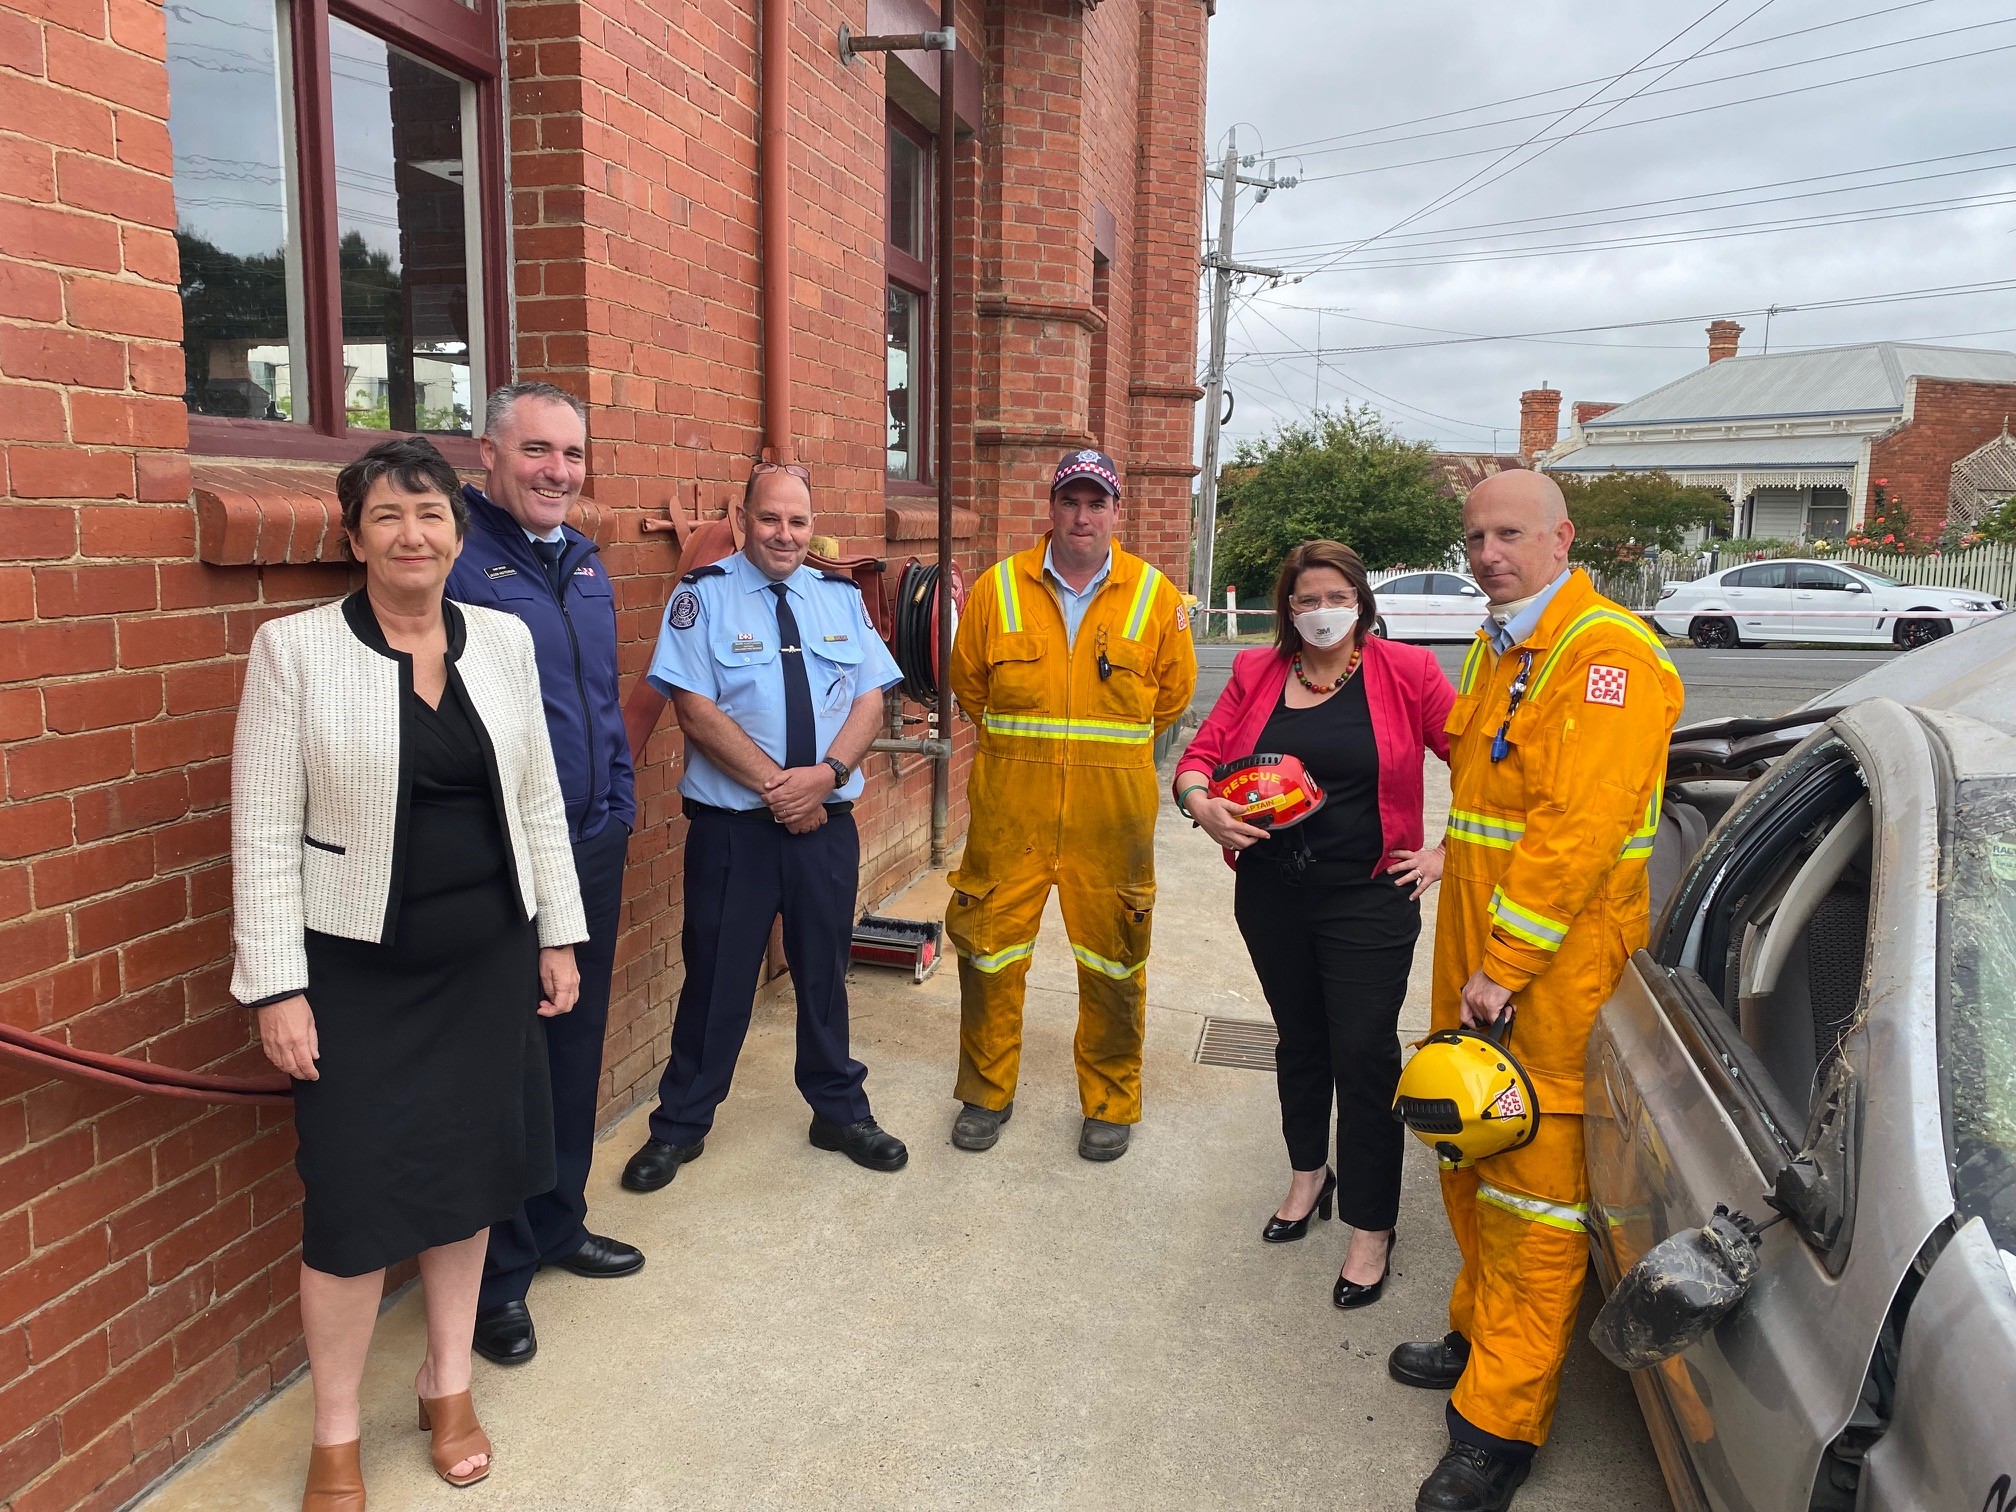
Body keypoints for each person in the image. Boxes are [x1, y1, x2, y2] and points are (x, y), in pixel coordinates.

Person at [231, 436, 587, 1510]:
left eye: (430, 514)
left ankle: (447, 1382)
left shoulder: (506, 643)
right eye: (387, 515)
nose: (412, 534)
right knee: (348, 1207)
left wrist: (556, 932)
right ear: (354, 538)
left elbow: (535, 800)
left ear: (458, 530)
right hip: (354, 974)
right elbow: (260, 829)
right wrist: (276, 986)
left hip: (485, 962)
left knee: (468, 1185)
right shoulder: (293, 651)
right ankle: (335, 1431)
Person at [1390, 471, 1682, 1512]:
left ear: (1564, 537)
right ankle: (1478, 1336)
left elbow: (1577, 832)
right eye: (1473, 535)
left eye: (1508, 533)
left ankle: (1496, 1429)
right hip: (1479, 951)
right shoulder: (1503, 640)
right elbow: (1488, 802)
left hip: (1547, 971)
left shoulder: (1606, 655)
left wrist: (1505, 965)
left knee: (1533, 1194)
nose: (1485, 551)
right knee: (1467, 1144)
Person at [1174, 541, 1453, 1306]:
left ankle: (1372, 1226)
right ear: (1287, 610)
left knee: (1362, 1053)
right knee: (1298, 1040)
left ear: (1360, 601)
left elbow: (1492, 771)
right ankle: (1309, 1176)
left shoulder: (1408, 674)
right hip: (1271, 892)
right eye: (1303, 600)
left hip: (1366, 896)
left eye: (1333, 596)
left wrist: (1444, 852)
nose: (1319, 611)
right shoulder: (1258, 672)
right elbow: (1199, 755)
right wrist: (1202, 805)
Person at [620, 461, 910, 1188]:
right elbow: (693, 706)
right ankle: (681, 1124)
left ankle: (838, 1110)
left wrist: (827, 779)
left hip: (826, 822)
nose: (786, 534)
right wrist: (781, 790)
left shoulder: (838, 598)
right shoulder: (704, 597)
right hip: (735, 831)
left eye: (799, 521)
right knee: (716, 978)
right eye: (771, 519)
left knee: (823, 973)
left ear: (814, 527)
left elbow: (870, 701)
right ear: (744, 520)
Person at [443, 382, 643, 1368]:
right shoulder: (459, 565)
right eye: (536, 450)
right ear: (489, 453)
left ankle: (560, 1221)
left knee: (576, 1046)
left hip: (590, 849)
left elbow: (599, 705)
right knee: (506, 1064)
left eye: (571, 453)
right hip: (504, 864)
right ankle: (500, 1275)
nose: (558, 471)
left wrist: (617, 804)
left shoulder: (586, 566)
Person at [946, 449, 1198, 1162]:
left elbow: (1171, 701)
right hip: (1010, 817)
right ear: (1050, 509)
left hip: (1110, 821)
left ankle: (1111, 1102)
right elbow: (970, 685)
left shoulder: (1157, 599)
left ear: (1117, 513)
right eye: (1070, 502)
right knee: (990, 955)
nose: (1082, 516)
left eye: (1097, 503)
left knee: (1115, 963)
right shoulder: (996, 591)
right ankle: (984, 1094)